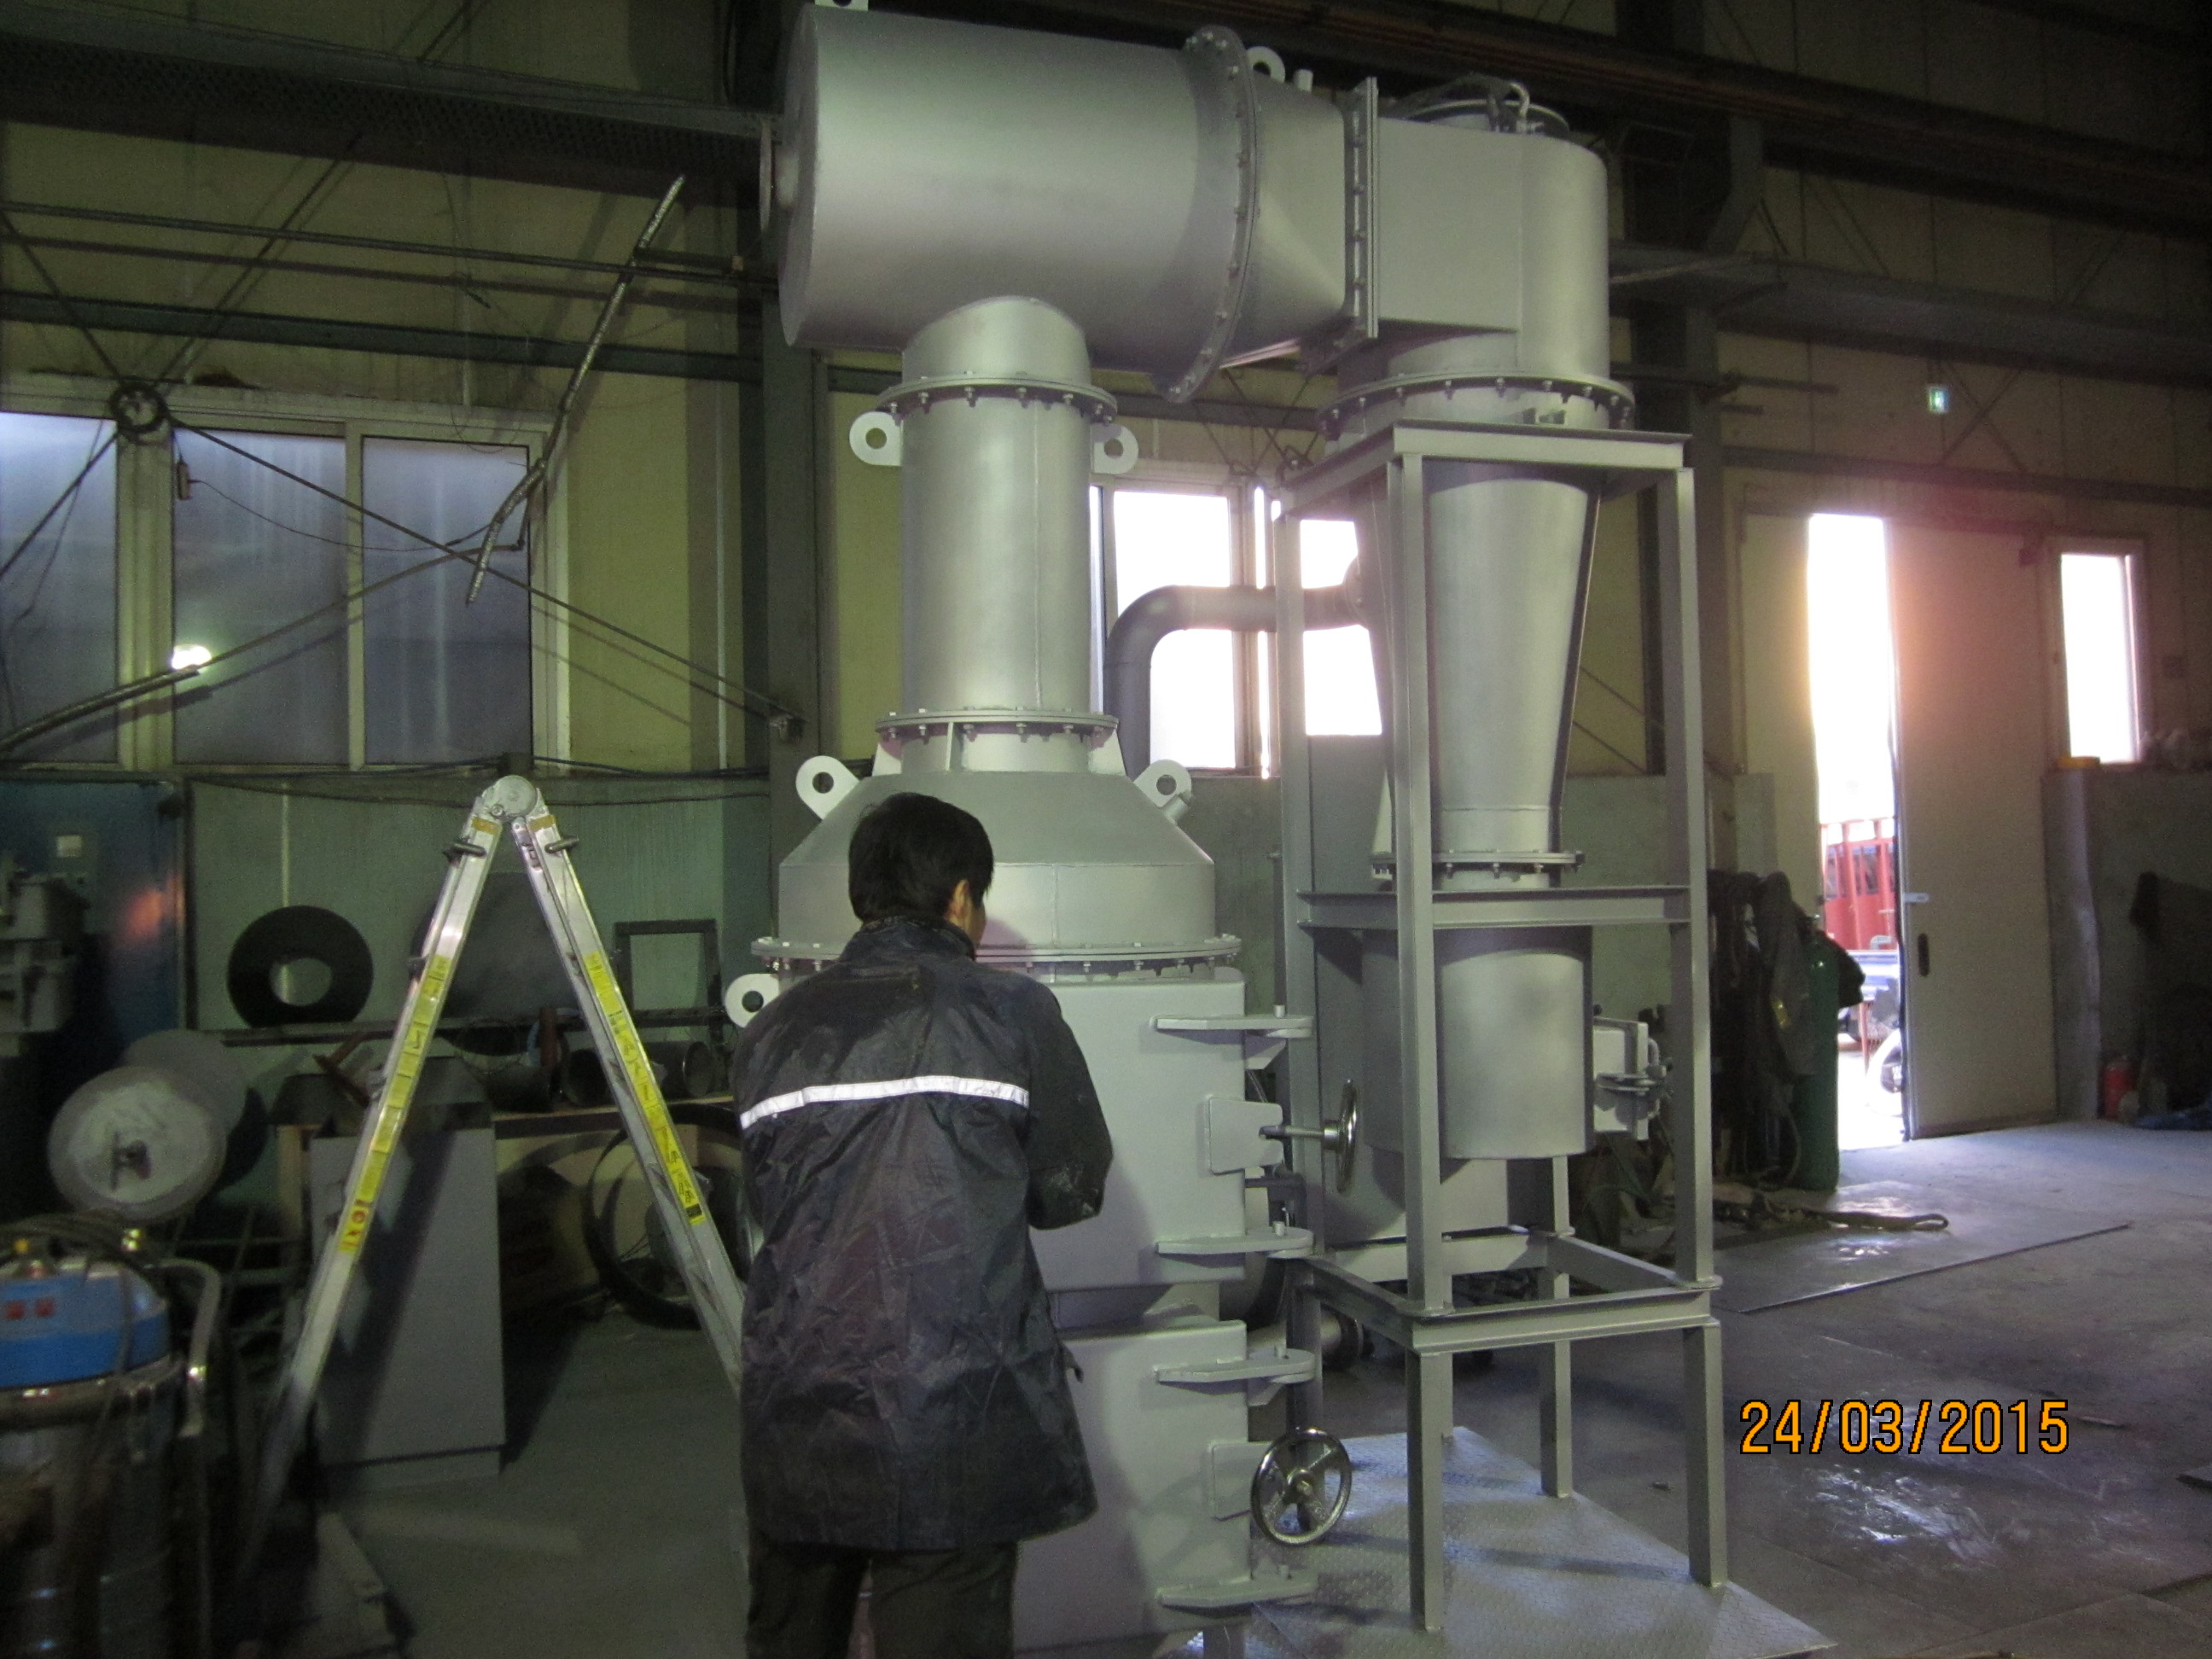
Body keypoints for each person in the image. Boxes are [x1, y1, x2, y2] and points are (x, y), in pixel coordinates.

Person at [731, 790, 1114, 1659]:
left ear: (862, 896)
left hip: (799, 1405)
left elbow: (768, 1207)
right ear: (961, 897)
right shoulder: (1013, 1012)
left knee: (792, 1636)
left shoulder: (772, 1031)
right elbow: (1070, 1190)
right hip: (956, 1410)